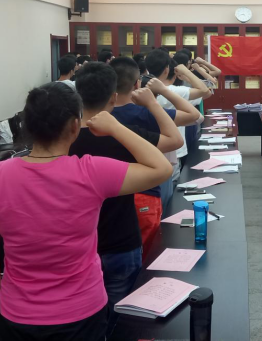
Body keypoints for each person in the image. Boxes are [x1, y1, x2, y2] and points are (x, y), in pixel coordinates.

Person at [0, 82, 172, 340]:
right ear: (75, 126)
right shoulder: (90, 171)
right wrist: (116, 127)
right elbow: (161, 168)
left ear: (27, 126)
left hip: (17, 314)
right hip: (81, 312)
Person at [69, 63, 182, 335]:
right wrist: (151, 104)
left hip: (77, 245)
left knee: (83, 320)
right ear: (113, 97)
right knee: (122, 321)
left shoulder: (63, 140)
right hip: (120, 240)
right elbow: (174, 140)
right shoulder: (125, 135)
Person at [110, 57, 200, 229]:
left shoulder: (102, 116)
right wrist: (159, 95)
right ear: (137, 84)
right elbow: (193, 115)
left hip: (111, 190)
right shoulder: (147, 113)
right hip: (146, 189)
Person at [146, 50, 211, 174]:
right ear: (167, 70)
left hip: (152, 147)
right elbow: (205, 91)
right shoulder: (173, 91)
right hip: (174, 149)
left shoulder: (143, 89)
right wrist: (186, 72)